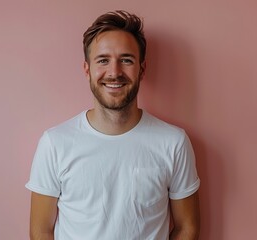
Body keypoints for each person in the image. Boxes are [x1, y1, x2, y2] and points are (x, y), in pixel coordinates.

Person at [26, 10, 200, 240]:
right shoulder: (54, 143)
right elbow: (40, 231)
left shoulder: (174, 142)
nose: (114, 72)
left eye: (126, 60)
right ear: (87, 70)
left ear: (142, 69)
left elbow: (187, 227)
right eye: (103, 60)